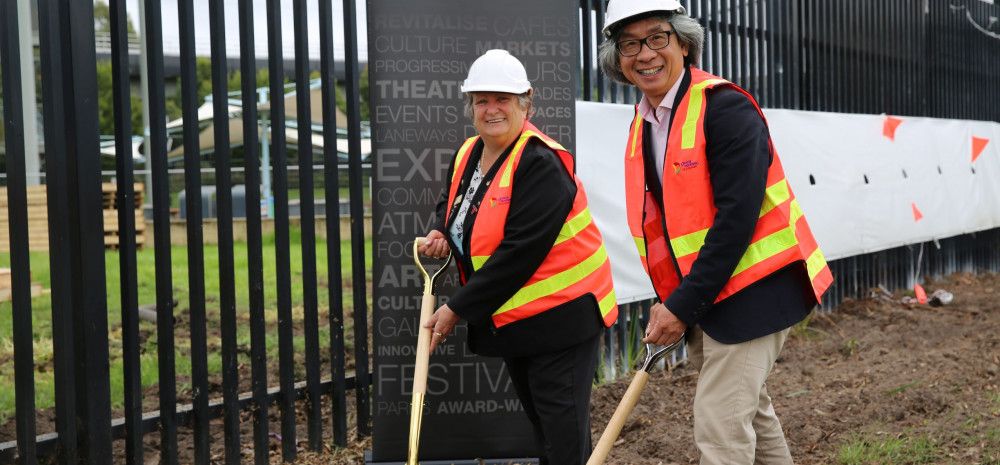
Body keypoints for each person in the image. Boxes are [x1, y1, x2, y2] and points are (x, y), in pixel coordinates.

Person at [597, 1, 834, 464]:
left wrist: (681, 305)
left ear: (684, 43)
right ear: (617, 60)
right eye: (629, 44)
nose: (645, 54)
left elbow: (736, 220)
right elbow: (671, 228)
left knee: (720, 424)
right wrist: (675, 301)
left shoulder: (724, 108)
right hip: (711, 296)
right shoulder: (646, 121)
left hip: (756, 291)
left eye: (657, 38)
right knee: (751, 413)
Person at [418, 49, 618, 464]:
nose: (491, 109)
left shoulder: (541, 163)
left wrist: (456, 309)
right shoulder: (469, 152)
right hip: (519, 318)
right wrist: (441, 229)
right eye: (482, 100)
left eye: (502, 99)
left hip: (563, 318)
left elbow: (520, 253)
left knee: (563, 440)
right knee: (545, 432)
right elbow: (453, 203)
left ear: (526, 102)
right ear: (471, 106)